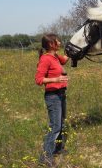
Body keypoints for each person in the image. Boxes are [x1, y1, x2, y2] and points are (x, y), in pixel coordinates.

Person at [35, 33, 69, 166]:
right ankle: (45, 157)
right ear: (51, 44)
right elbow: (38, 80)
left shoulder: (55, 56)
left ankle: (57, 149)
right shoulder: (45, 59)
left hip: (61, 94)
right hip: (53, 96)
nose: (60, 43)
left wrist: (77, 50)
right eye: (58, 41)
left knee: (61, 123)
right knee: (55, 126)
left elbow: (64, 60)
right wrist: (56, 79)